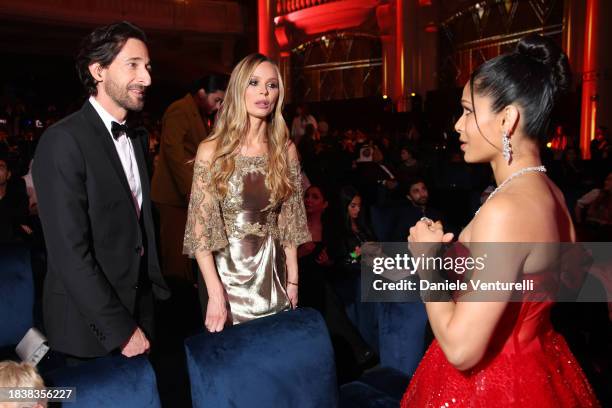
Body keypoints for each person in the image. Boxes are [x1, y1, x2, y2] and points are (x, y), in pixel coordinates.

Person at [401, 34, 600, 406]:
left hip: (493, 385)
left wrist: (426, 262)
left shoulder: (507, 210)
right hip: (540, 366)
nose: (458, 126)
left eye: (468, 112)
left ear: (507, 118)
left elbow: (462, 349)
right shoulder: (553, 195)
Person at [32, 21, 170, 361]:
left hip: (142, 310)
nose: (147, 79)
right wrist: (120, 329)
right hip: (88, 329)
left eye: (148, 67)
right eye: (133, 65)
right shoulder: (63, 141)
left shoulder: (136, 138)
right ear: (98, 70)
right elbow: (69, 254)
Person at [183, 53, 310, 332]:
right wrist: (215, 294)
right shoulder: (212, 150)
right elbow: (201, 232)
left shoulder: (285, 150)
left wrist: (293, 281)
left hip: (274, 278)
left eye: (272, 85)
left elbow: (290, 222)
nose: (264, 91)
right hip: (227, 283)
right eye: (254, 82)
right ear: (239, 88)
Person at [151, 74, 229, 284]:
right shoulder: (180, 109)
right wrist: (191, 193)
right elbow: (173, 154)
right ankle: (176, 305)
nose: (218, 105)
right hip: (173, 196)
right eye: (217, 100)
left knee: (187, 256)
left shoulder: (200, 113)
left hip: (187, 194)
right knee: (175, 260)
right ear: (202, 93)